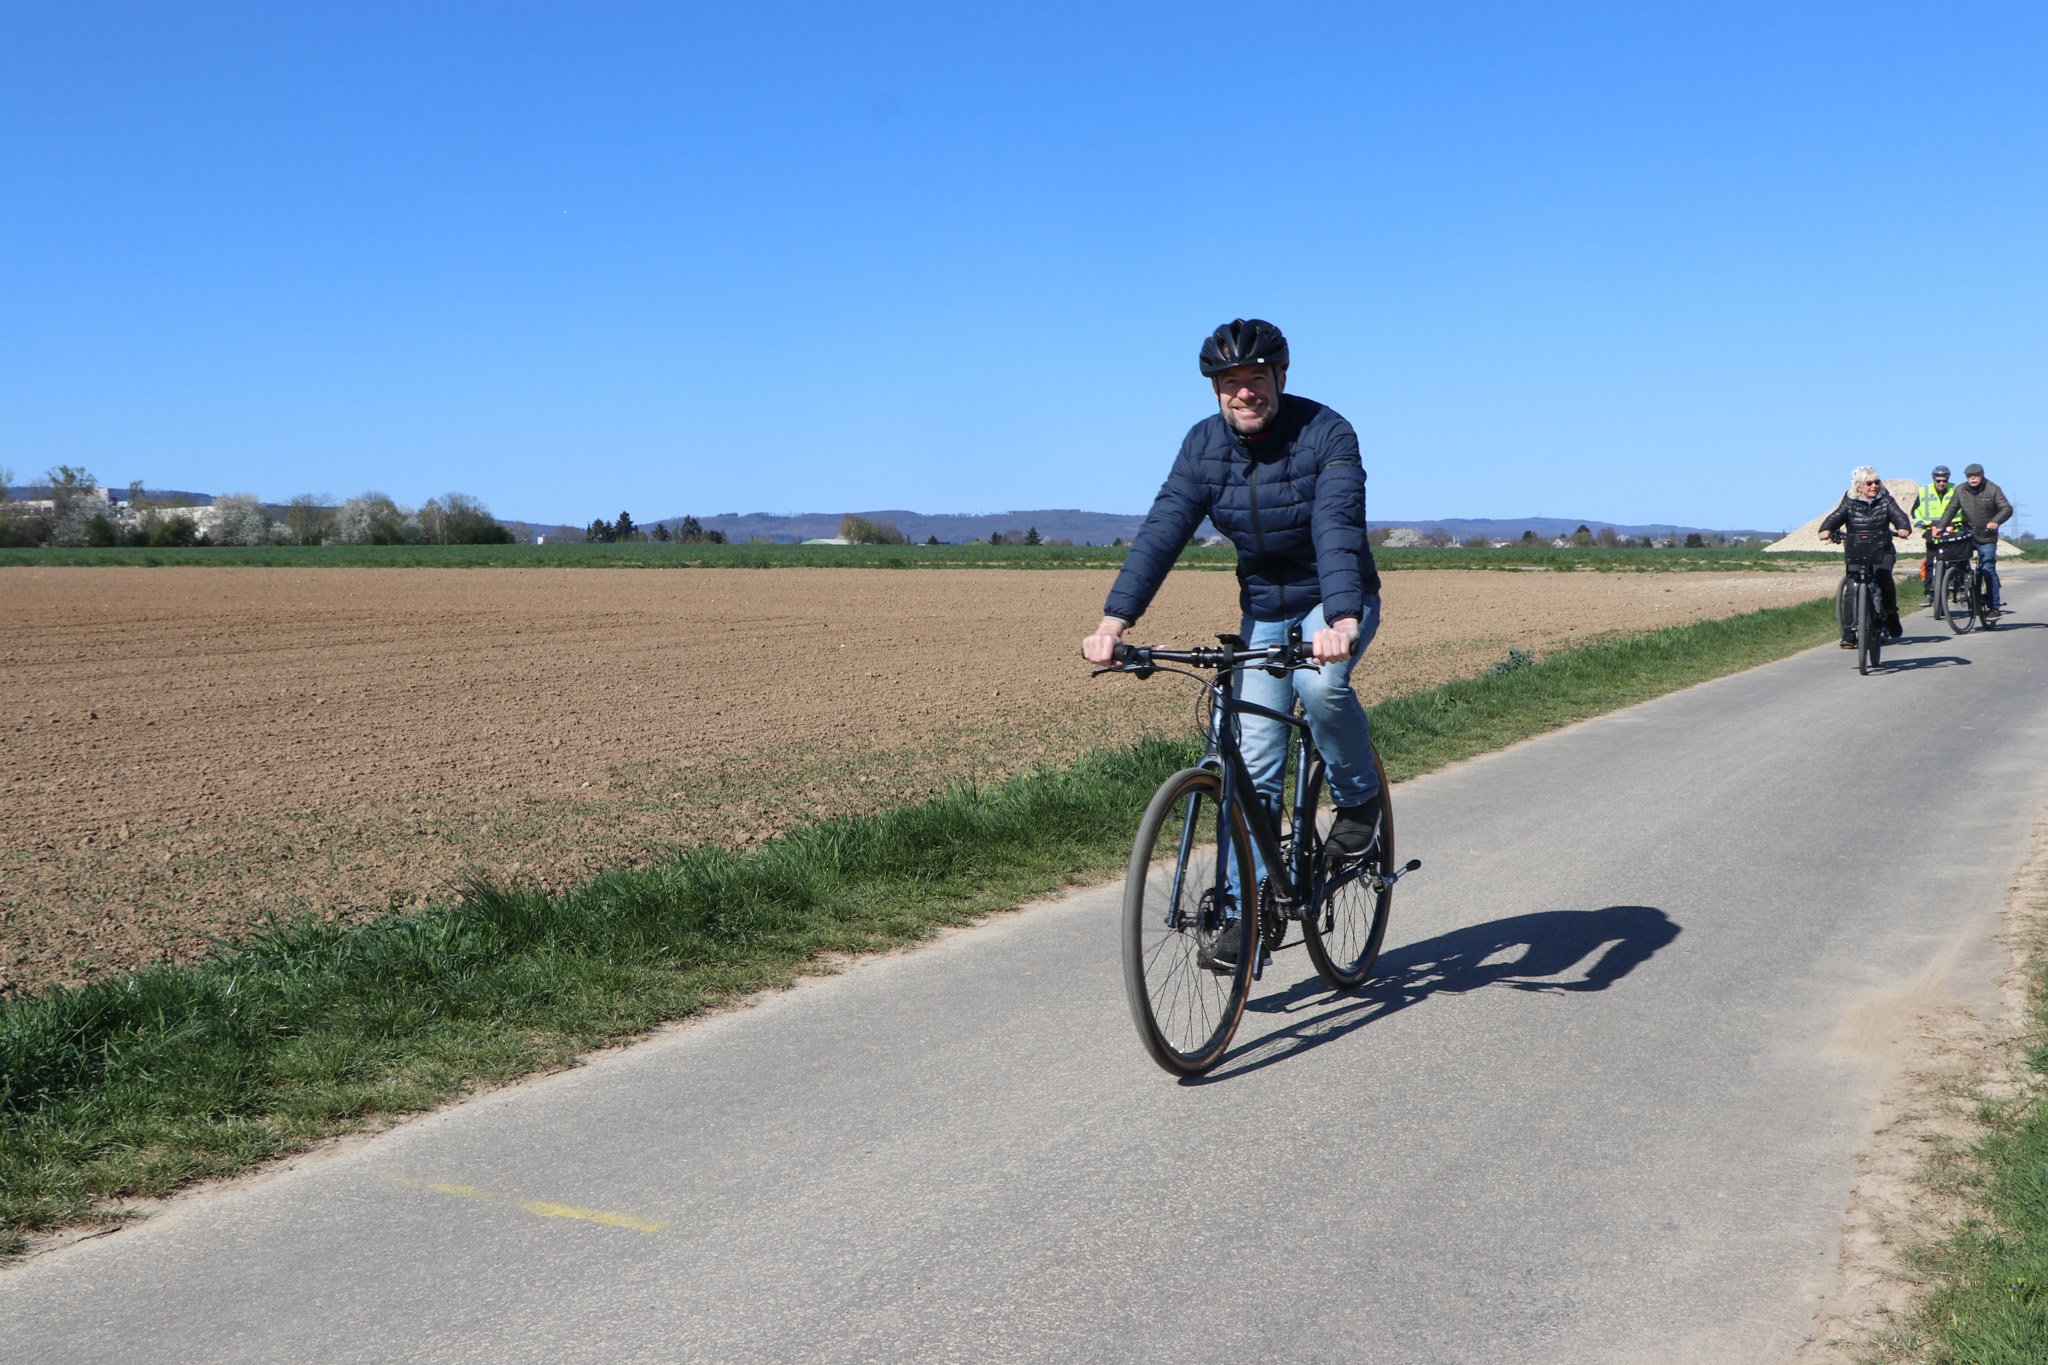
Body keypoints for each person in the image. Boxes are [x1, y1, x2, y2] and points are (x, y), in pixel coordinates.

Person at [1081, 317, 1384, 869]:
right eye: (1230, 382)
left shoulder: (1326, 432)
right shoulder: (1203, 446)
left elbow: (1336, 526)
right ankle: (1250, 910)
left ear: (1280, 378)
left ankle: (1359, 801)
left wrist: (1342, 619)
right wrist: (1113, 622)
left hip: (1335, 596)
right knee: (1255, 761)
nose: (1245, 392)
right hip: (1265, 606)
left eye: (1257, 378)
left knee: (1319, 688)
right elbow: (1163, 530)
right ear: (1216, 389)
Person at [1818, 467, 1911, 646]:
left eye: (1877, 482)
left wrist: (1903, 527)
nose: (1874, 486)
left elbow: (1899, 516)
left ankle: (1891, 615)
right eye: (1869, 483)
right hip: (1857, 551)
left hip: (1882, 550)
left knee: (1884, 578)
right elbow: (1835, 517)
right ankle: (1849, 633)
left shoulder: (1886, 501)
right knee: (1852, 588)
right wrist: (1826, 529)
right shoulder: (1849, 502)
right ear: (1859, 486)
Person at [1935, 463, 2015, 618]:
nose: (1972, 478)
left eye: (1975, 475)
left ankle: (1994, 607)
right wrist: (1940, 527)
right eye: (1969, 476)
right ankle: (1963, 585)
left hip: (1987, 536)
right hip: (1968, 534)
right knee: (1957, 558)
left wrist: (1995, 521)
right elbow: (1951, 509)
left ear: (1982, 475)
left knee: (1987, 568)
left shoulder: (1993, 489)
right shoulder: (1960, 490)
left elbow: (2007, 508)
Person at [1909, 465, 1957, 606]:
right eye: (1938, 480)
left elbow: (1962, 509)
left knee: (1957, 557)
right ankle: (1929, 593)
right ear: (1933, 479)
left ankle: (1954, 581)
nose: (1941, 483)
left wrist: (1958, 522)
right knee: (1930, 561)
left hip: (1952, 529)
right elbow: (1915, 511)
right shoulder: (1924, 491)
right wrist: (1919, 522)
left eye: (1944, 480)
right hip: (1932, 529)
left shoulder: (1955, 490)